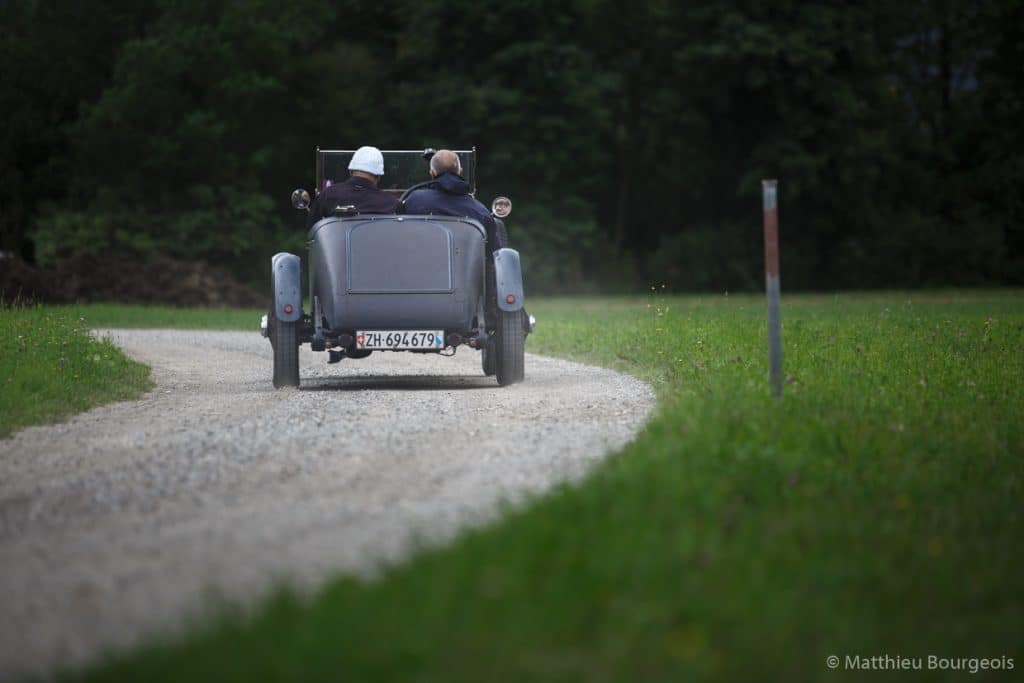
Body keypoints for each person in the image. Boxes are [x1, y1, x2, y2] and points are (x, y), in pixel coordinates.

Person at [401, 149, 503, 248]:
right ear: (460, 171)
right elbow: (493, 256)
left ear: (432, 173)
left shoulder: (414, 200)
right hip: (464, 265)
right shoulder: (481, 212)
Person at [306, 146, 398, 229]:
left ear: (350, 172)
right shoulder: (392, 203)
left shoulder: (328, 195)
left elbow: (312, 232)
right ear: (378, 177)